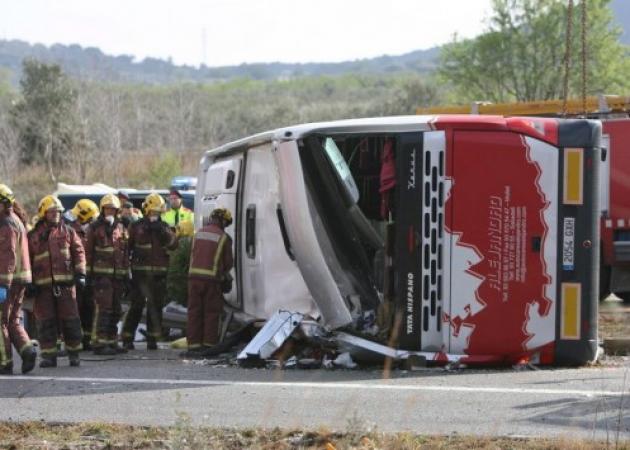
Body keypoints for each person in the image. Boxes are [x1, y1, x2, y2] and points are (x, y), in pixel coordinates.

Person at [28, 195, 86, 368]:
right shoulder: (33, 236)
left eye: (58, 212)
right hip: (42, 287)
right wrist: (28, 282)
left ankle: (74, 354)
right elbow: (27, 259)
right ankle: (48, 356)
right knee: (46, 322)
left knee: (71, 320)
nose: (55, 215)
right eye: (52, 212)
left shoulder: (68, 232)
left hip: (66, 286)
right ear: (43, 213)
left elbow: (79, 252)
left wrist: (81, 273)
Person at [122, 193, 177, 350]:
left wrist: (163, 232)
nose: (155, 215)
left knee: (156, 307)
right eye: (153, 212)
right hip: (140, 274)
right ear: (146, 211)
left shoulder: (164, 227)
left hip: (159, 275)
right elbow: (127, 248)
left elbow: (174, 245)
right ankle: (127, 338)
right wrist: (127, 271)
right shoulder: (137, 226)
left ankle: (152, 339)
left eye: (157, 212)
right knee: (136, 306)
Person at [182, 208, 233, 358]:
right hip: (212, 281)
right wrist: (224, 276)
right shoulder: (224, 237)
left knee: (194, 312)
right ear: (223, 221)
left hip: (193, 279)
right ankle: (208, 346)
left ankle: (193, 346)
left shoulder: (198, 233)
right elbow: (228, 263)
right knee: (211, 313)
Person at [0, 184, 37, 375]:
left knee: (1, 322)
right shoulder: (15, 220)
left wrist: (3, 284)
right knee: (13, 320)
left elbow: (8, 255)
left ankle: (4, 363)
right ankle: (27, 350)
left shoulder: (6, 224)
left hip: (8, 280)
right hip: (20, 279)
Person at [86, 194, 129, 355]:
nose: (110, 211)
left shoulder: (121, 228)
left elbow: (124, 252)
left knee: (116, 310)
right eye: (107, 208)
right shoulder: (94, 228)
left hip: (117, 277)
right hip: (101, 277)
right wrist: (87, 275)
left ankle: (111, 341)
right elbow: (87, 252)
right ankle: (99, 342)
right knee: (104, 309)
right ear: (102, 209)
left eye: (113, 209)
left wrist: (126, 274)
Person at [63, 198, 99, 350]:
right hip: (75, 276)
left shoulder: (94, 229)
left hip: (91, 275)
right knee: (75, 308)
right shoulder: (70, 230)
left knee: (89, 308)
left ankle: (87, 339)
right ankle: (74, 341)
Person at [166, 220, 194, 308]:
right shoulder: (188, 242)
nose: (176, 231)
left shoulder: (179, 242)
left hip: (172, 279)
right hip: (179, 279)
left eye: (178, 228)